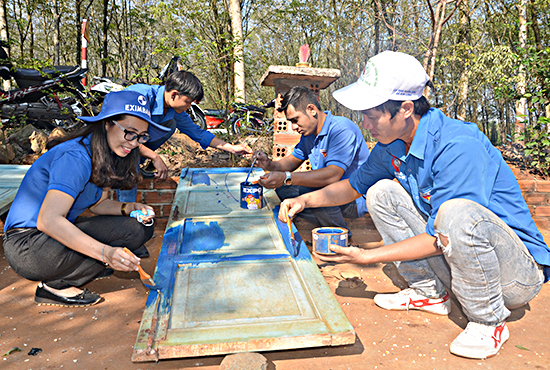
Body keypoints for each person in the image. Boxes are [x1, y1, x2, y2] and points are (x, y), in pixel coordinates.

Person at [279, 51, 550, 359]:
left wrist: (367, 256)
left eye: (371, 115)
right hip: (459, 258)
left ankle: (488, 320)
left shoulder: (458, 146)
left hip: (513, 278)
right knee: (380, 191)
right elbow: (353, 187)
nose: (364, 123)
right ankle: (429, 292)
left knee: (455, 211)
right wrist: (302, 199)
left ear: (406, 109)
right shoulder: (391, 144)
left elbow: (446, 233)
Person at [2, 90, 169, 307]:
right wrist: (105, 253)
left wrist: (131, 207)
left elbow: (99, 205)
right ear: (107, 124)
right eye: (130, 132)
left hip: (50, 238)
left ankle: (77, 267)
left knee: (138, 229)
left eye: (142, 136)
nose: (135, 142)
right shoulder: (75, 156)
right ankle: (55, 286)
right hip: (28, 246)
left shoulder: (106, 153)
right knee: (109, 247)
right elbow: (49, 220)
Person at [117, 70, 252, 203]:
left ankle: (137, 160)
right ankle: (126, 212)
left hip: (132, 148)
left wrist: (232, 148)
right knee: (128, 168)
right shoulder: (140, 96)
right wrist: (154, 157)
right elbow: (122, 136)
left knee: (170, 124)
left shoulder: (173, 110)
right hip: (111, 148)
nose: (188, 107)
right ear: (175, 94)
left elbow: (197, 133)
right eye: (188, 102)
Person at [255, 86, 370, 238]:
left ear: (311, 109)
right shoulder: (309, 134)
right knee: (283, 191)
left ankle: (341, 237)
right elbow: (290, 162)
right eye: (290, 122)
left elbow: (332, 175)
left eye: (295, 120)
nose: (294, 127)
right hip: (329, 192)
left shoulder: (341, 130)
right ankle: (320, 224)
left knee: (309, 190)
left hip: (354, 197)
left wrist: (286, 178)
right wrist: (268, 164)